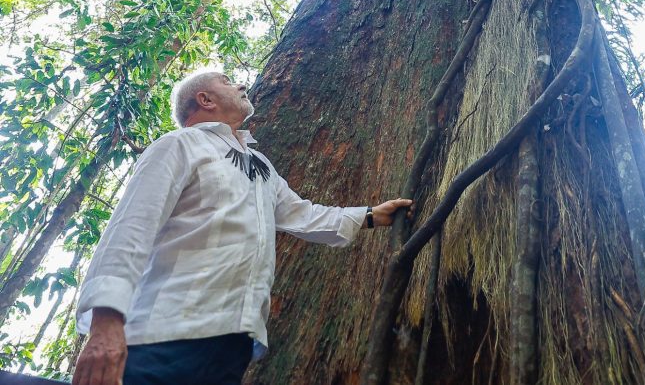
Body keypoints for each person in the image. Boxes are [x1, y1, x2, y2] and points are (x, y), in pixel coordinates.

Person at [72, 70, 412, 385]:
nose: (241, 85)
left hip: (234, 345)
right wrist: (105, 324)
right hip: (163, 333)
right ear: (205, 99)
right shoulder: (179, 145)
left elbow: (303, 214)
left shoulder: (260, 165)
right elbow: (131, 227)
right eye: (227, 81)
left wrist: (370, 215)